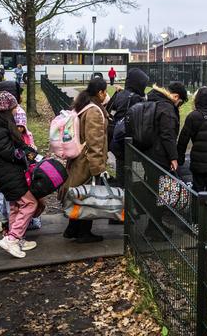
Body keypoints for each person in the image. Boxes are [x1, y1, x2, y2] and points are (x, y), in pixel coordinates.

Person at [0, 91, 42, 258]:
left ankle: (17, 237)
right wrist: (25, 156)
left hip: (10, 171)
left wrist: (31, 153)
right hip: (8, 172)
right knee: (30, 203)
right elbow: (8, 151)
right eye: (15, 107)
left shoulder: (2, 123)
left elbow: (17, 144)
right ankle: (12, 238)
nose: (17, 110)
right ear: (7, 109)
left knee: (16, 205)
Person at [60, 78, 110, 243]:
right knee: (88, 197)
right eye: (105, 91)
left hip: (79, 160)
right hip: (87, 162)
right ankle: (83, 232)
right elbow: (94, 142)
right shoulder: (94, 111)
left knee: (79, 195)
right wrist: (98, 168)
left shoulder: (83, 105)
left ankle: (72, 229)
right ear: (100, 92)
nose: (106, 95)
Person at [143, 81, 188, 238]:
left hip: (148, 153)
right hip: (159, 155)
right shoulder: (167, 108)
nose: (179, 106)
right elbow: (167, 135)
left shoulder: (153, 99)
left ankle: (154, 224)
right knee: (160, 191)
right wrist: (173, 157)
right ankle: (154, 228)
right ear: (175, 96)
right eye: (180, 102)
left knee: (154, 189)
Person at [106, 67, 150, 164]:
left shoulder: (120, 94)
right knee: (128, 170)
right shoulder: (135, 98)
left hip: (114, 136)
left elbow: (109, 109)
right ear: (138, 83)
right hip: (126, 141)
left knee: (121, 165)